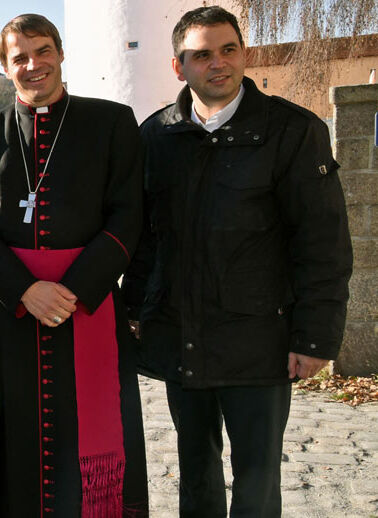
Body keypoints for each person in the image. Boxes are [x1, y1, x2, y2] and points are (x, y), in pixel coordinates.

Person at [127, 7, 352, 516]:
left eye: (228, 49)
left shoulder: (293, 132)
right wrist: (136, 312)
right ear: (178, 65)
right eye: (202, 54)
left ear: (243, 54)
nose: (218, 63)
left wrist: (314, 337)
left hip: (261, 343)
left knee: (256, 482)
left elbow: (323, 244)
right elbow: (144, 239)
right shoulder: (156, 136)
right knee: (196, 479)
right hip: (183, 339)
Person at [0, 13, 148, 516]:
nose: (33, 64)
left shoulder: (110, 122)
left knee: (89, 441)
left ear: (60, 54)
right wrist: (25, 290)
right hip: (12, 316)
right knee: (11, 446)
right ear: (4, 67)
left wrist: (75, 288)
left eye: (42, 51)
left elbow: (129, 215)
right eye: (19, 57)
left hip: (89, 307)